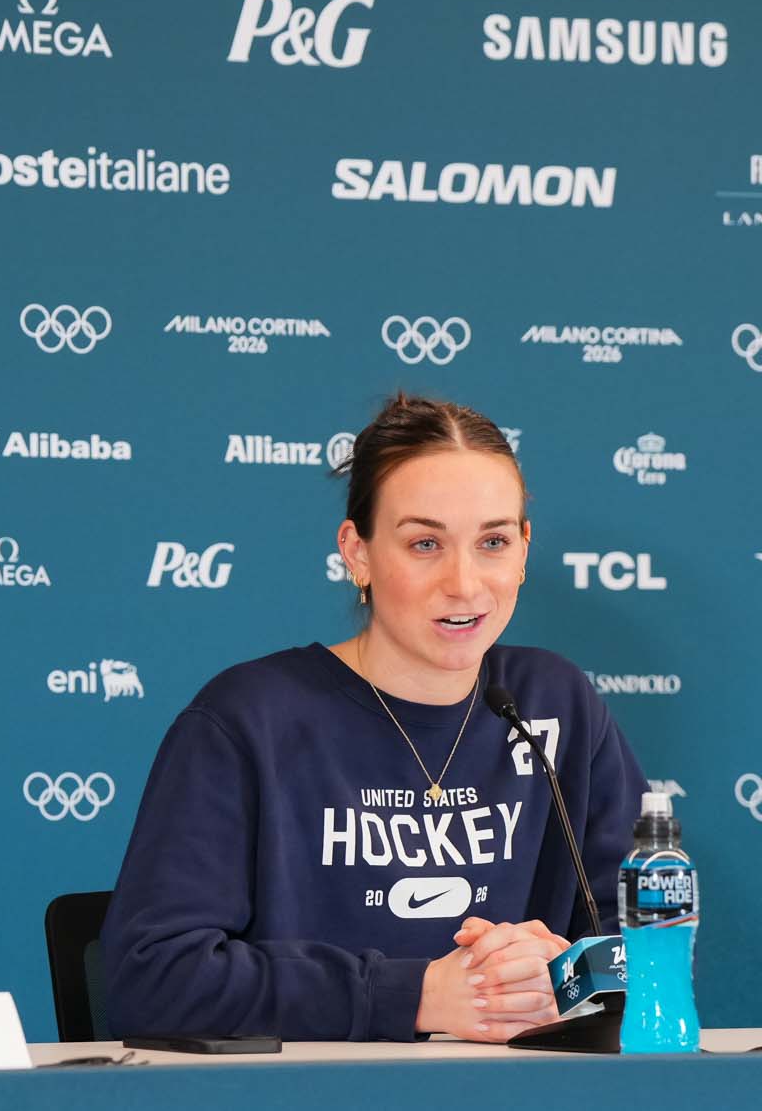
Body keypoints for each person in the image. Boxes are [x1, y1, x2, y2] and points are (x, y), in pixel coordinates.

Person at [102, 391, 646, 1041]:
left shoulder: (556, 703)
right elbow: (152, 978)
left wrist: (561, 978)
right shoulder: (249, 719)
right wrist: (416, 996)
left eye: (493, 541)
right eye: (425, 543)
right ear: (357, 552)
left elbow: (650, 950)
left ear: (524, 550)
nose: (465, 583)